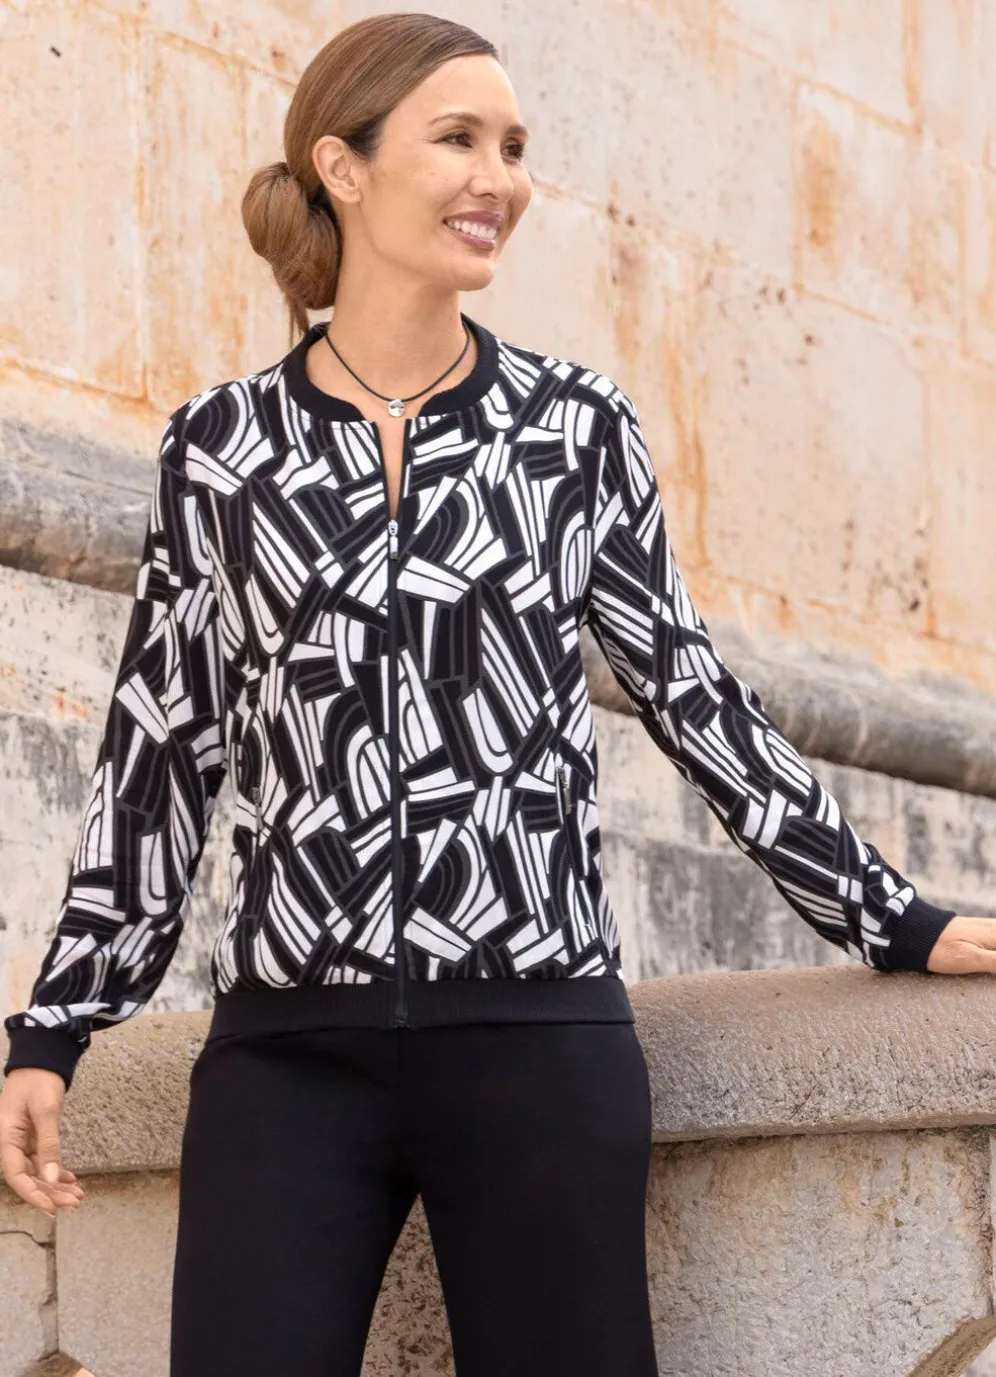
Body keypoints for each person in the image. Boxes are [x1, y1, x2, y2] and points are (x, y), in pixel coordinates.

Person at [1, 11, 992, 1377]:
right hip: (291, 1056)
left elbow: (691, 694)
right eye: (459, 140)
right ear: (343, 167)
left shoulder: (572, 430)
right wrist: (57, 1024)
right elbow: (161, 749)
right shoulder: (223, 449)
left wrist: (890, 916)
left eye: (514, 147)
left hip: (539, 1039)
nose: (499, 180)